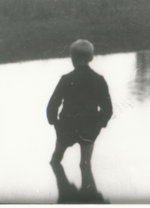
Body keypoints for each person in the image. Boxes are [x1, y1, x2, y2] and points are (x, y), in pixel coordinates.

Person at [46, 39, 113, 171]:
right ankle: (87, 189)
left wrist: (55, 123)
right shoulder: (98, 80)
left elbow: (53, 104)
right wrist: (99, 123)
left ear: (72, 57)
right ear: (91, 57)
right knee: (85, 164)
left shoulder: (66, 79)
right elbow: (108, 109)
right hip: (89, 127)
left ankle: (62, 185)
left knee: (55, 160)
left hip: (66, 126)